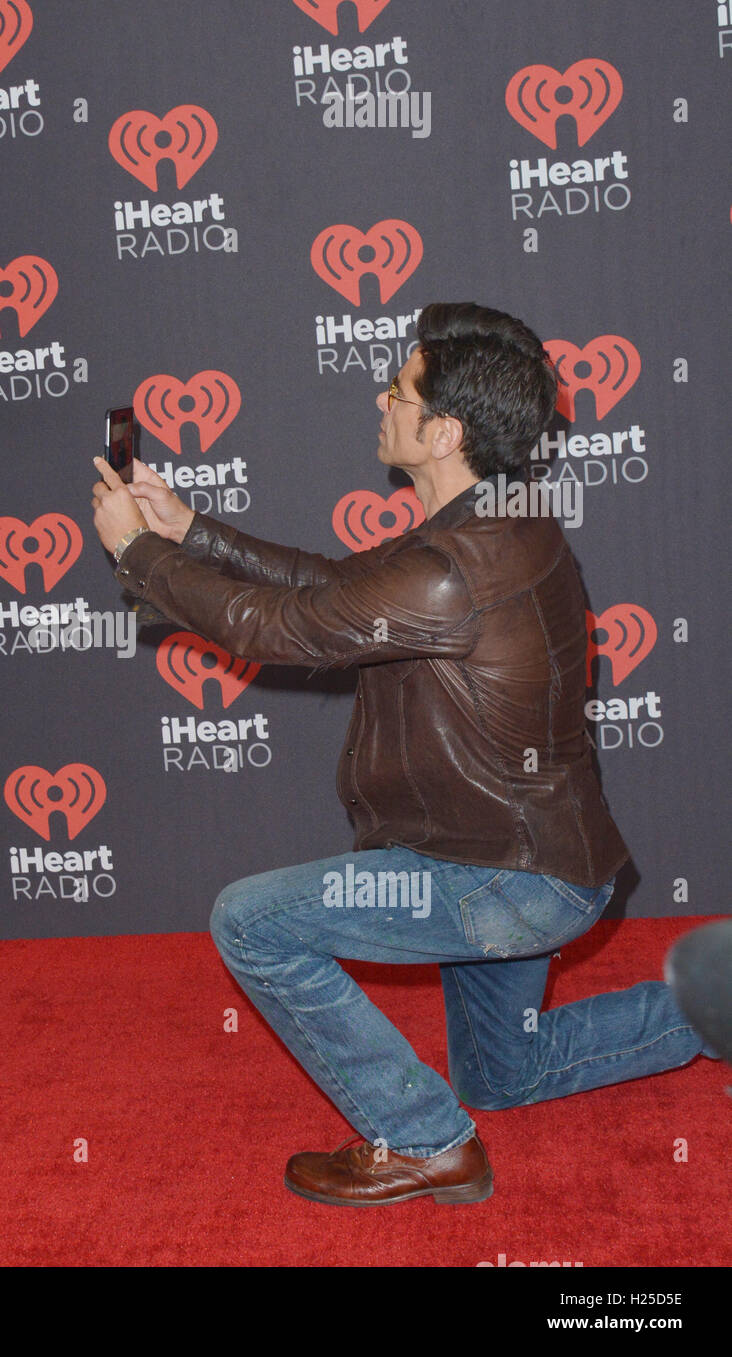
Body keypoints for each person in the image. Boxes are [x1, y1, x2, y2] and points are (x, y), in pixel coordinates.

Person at [90, 301, 709, 1206]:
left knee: (251, 920)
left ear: (445, 429)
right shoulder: (492, 523)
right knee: (505, 1072)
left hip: (501, 875)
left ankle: (424, 1141)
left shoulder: (453, 565)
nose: (381, 396)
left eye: (400, 389)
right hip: (530, 858)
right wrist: (190, 531)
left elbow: (280, 627)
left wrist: (139, 556)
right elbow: (338, 588)